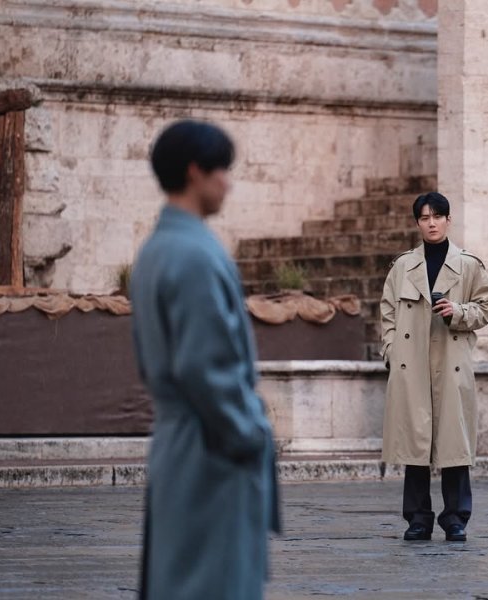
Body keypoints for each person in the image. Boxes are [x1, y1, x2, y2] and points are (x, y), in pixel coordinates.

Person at [131, 120, 280, 600]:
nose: (228, 183)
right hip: (211, 454)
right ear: (196, 172)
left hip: (181, 448)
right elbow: (206, 368)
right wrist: (250, 434)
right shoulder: (193, 254)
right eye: (222, 170)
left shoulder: (156, 249)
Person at [379, 192, 488, 542]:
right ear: (417, 222)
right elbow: (387, 312)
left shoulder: (469, 265)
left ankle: (455, 518)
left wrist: (457, 311)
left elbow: (486, 307)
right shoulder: (402, 266)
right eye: (424, 217)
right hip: (411, 363)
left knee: (453, 443)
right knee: (414, 444)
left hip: (451, 361)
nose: (431, 223)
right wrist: (391, 351)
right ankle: (418, 518)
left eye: (437, 216)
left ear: (448, 220)